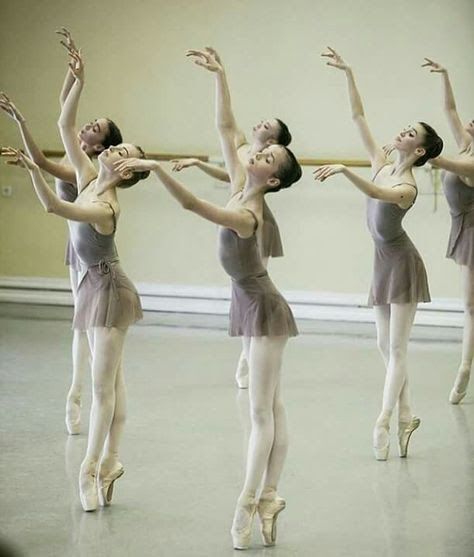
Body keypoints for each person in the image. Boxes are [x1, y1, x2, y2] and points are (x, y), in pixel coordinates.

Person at [113, 46, 302, 550]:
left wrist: (153, 166)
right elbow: (227, 130)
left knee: (263, 412)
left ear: (274, 178)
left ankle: (249, 500)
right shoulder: (242, 186)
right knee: (273, 407)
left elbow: (194, 203)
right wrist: (221, 75)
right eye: (261, 152)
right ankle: (270, 496)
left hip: (264, 308)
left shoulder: (247, 213)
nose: (257, 154)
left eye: (268, 157)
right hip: (251, 301)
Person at [1, 44, 148, 512]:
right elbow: (65, 126)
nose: (109, 149)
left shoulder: (104, 204)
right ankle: (112, 461)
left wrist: (29, 170)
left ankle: (90, 470)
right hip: (93, 284)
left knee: (104, 388)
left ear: (121, 169)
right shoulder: (88, 173)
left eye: (118, 149)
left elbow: (53, 206)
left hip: (109, 289)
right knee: (114, 382)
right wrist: (78, 79)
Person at [314, 47, 443, 461]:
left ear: (419, 151)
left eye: (411, 134)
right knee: (382, 345)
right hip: (381, 262)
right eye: (404, 129)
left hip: (402, 263)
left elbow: (377, 193)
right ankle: (407, 413)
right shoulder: (382, 163)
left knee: (398, 348)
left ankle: (384, 420)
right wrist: (349, 73)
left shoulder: (406, 186)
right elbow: (359, 118)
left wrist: (346, 171)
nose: (401, 133)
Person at [0, 28, 123, 435]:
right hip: (77, 248)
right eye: (90, 123)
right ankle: (75, 392)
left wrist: (21, 120)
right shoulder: (80, 155)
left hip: (85, 250)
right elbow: (63, 111)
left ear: (98, 145)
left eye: (95, 128)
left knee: (82, 325)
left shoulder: (79, 168)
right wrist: (73, 72)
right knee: (80, 323)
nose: (86, 127)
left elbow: (39, 156)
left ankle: (76, 393)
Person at [171, 77, 291, 390]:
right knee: (242, 282)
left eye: (269, 125)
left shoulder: (260, 163)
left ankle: (250, 351)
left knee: (255, 277)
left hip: (250, 219)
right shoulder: (243, 153)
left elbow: (230, 179)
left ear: (273, 143)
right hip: (236, 208)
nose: (261, 123)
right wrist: (218, 75)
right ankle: (248, 348)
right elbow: (225, 128)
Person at [422, 57, 474, 404]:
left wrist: (420, 153)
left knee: (470, 305)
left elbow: (443, 161)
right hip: (463, 229)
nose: (469, 121)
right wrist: (445, 75)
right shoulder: (465, 144)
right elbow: (450, 108)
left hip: (472, 233)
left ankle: (464, 368)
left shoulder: (470, 160)